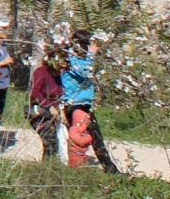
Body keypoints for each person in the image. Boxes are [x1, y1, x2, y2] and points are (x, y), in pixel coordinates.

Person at [62, 33, 120, 172]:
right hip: (76, 104)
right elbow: (85, 72)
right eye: (86, 45)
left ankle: (108, 168)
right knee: (89, 137)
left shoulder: (80, 60)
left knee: (93, 137)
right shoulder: (70, 60)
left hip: (84, 103)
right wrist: (91, 55)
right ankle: (108, 169)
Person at [28, 43, 66, 161]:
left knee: (56, 141)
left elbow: (60, 95)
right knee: (50, 140)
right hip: (39, 111)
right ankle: (47, 166)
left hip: (53, 113)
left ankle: (52, 164)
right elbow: (34, 94)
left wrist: (61, 110)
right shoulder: (41, 72)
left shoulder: (58, 77)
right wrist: (49, 106)